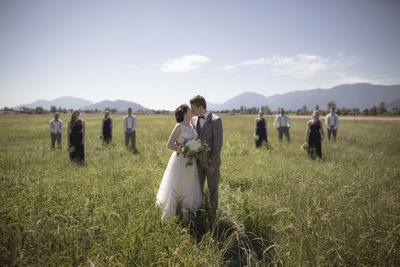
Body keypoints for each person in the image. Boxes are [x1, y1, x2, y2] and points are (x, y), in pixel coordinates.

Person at [156, 104, 202, 223]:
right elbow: (170, 144)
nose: (192, 110)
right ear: (185, 113)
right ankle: (170, 214)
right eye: (189, 109)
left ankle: (187, 213)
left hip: (191, 161)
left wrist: (195, 151)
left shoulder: (193, 126)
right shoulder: (179, 126)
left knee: (189, 184)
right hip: (180, 159)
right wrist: (184, 151)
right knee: (177, 183)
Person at [190, 95, 223, 213]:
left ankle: (213, 214)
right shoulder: (193, 120)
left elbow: (217, 144)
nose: (191, 110)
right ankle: (200, 211)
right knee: (198, 189)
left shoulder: (216, 120)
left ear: (200, 107)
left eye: (193, 108)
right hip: (198, 162)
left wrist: (212, 165)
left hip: (211, 163)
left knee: (212, 189)